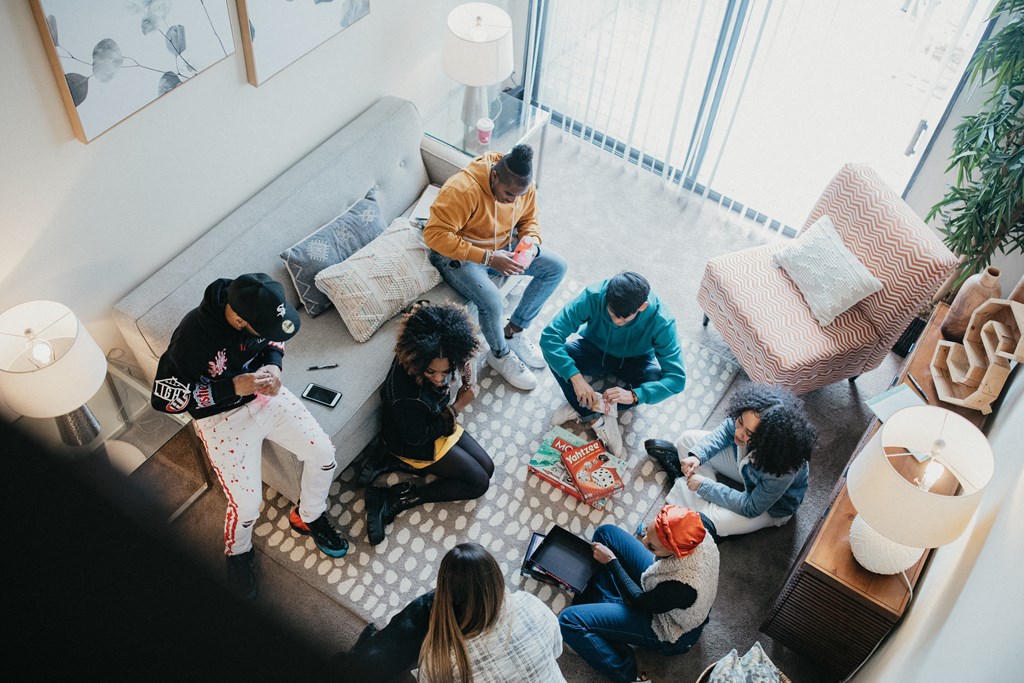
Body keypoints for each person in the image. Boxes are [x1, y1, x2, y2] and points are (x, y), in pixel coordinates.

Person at [151, 273, 348, 600]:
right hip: (220, 418)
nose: (271, 333)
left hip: (265, 396)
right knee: (247, 505)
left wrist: (274, 366)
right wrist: (229, 387)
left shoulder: (258, 300)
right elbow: (166, 400)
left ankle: (309, 515)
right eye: (263, 329)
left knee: (324, 454)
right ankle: (237, 552)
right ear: (240, 320)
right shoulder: (191, 338)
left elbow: (275, 339)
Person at [424, 143, 567, 392]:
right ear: (494, 176)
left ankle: (514, 331)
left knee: (556, 267)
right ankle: (499, 354)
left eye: (519, 196)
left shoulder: (521, 187)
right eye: (509, 194)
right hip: (462, 254)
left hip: (503, 245)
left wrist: (531, 243)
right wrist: (489, 258)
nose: (513, 200)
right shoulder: (462, 190)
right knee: (492, 302)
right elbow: (435, 235)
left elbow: (529, 220)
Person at [333, 543, 565, 683]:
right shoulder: (531, 604)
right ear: (496, 577)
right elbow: (556, 650)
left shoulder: (440, 658)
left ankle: (359, 658)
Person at [364, 302, 494, 545]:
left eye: (445, 372)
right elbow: (417, 437)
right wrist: (457, 406)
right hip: (414, 442)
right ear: (419, 361)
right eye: (431, 372)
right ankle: (396, 499)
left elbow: (422, 310)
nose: (439, 378)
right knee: (479, 483)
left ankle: (405, 471)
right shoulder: (407, 396)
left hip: (435, 421)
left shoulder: (427, 348)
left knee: (488, 467)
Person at [558, 505, 719, 683]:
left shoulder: (682, 587)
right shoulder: (700, 523)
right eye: (648, 532)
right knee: (605, 534)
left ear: (675, 553)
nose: (644, 541)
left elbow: (641, 602)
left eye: (651, 546)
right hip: (663, 585)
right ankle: (608, 615)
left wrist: (612, 562)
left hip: (672, 630)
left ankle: (626, 675)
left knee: (568, 622)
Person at [539, 271, 686, 456]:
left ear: (642, 307)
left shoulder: (662, 321)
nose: (617, 322)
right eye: (612, 314)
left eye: (624, 318)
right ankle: (587, 410)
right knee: (559, 355)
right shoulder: (594, 295)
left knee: (655, 378)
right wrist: (575, 378)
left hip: (636, 361)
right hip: (594, 350)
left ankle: (598, 409)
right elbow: (549, 336)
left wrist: (634, 396)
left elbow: (677, 379)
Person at [645, 383, 818, 539]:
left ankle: (682, 483)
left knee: (713, 521)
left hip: (769, 507)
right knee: (687, 440)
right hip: (747, 468)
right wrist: (697, 456)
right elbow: (725, 431)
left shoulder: (782, 469)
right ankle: (691, 496)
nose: (738, 433)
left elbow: (751, 506)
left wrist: (705, 486)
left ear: (769, 440)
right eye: (740, 422)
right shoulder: (747, 422)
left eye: (748, 433)